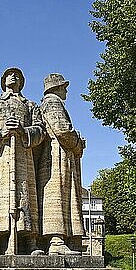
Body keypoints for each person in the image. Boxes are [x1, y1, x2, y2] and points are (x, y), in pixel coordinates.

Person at [0, 67, 45, 255]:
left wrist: (24, 131)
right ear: (3, 80)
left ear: (22, 81)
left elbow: (41, 130)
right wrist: (0, 133)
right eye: (9, 74)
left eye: (17, 75)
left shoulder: (30, 106)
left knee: (26, 196)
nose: (13, 76)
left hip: (24, 157)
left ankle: (31, 241)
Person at [37, 73, 85, 255]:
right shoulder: (52, 103)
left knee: (62, 194)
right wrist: (78, 143)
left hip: (58, 151)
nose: (66, 90)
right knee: (57, 194)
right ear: (55, 87)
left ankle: (61, 240)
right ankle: (56, 241)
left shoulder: (48, 103)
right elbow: (63, 130)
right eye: (63, 86)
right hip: (57, 153)